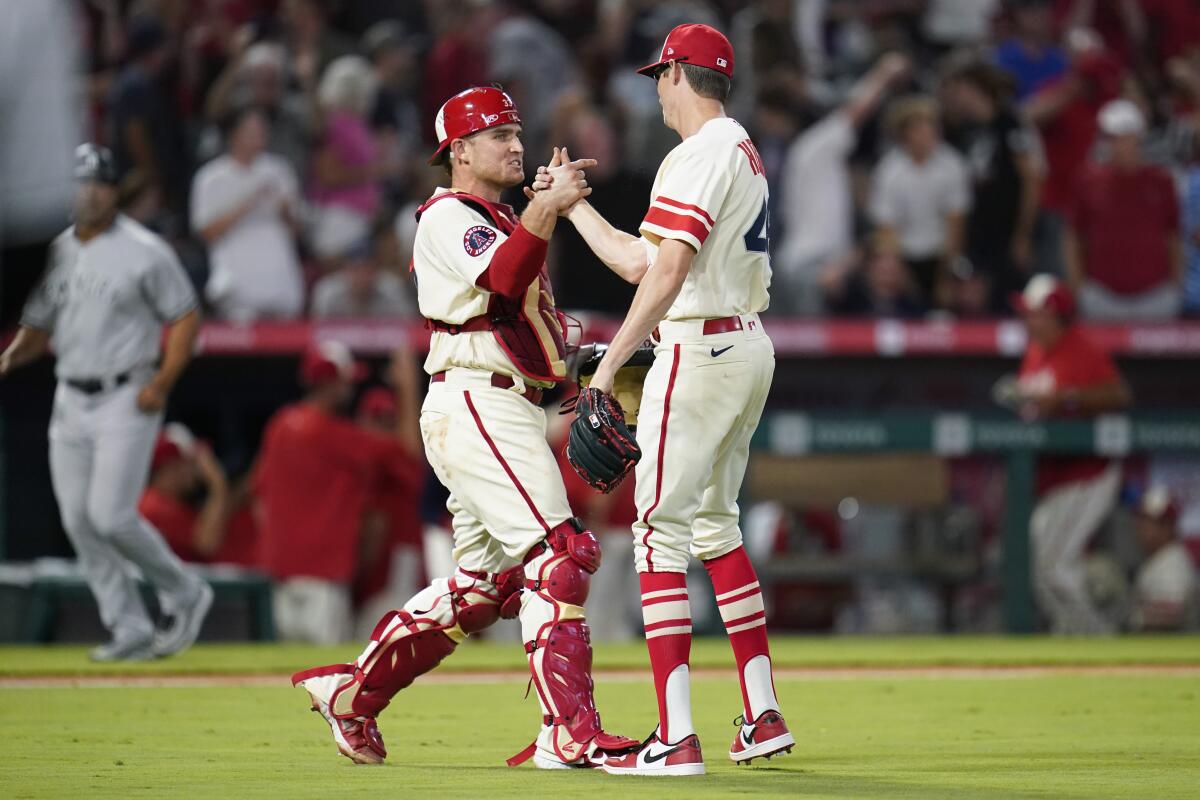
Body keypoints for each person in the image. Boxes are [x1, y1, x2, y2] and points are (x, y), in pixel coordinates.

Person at [290, 86, 638, 770]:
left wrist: (584, 367)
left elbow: (520, 319)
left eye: (516, 132)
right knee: (559, 560)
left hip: (498, 400)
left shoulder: (503, 218)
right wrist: (548, 207)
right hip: (477, 401)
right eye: (497, 135)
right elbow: (504, 280)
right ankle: (567, 732)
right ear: (458, 151)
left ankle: (352, 695)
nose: (515, 144)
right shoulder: (449, 214)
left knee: (480, 590)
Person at [535, 24, 793, 774]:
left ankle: (676, 737)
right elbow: (641, 260)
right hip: (742, 343)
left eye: (660, 73)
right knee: (714, 524)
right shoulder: (734, 150)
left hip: (703, 344)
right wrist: (574, 206)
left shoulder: (700, 152)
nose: (654, 86)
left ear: (681, 73)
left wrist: (610, 365)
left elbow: (670, 271)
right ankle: (762, 711)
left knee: (656, 533)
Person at [0, 144, 211, 661]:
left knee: (110, 516)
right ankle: (129, 626)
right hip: (70, 394)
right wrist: (7, 360)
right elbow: (36, 326)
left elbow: (185, 317)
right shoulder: (57, 250)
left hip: (126, 393)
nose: (89, 192)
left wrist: (161, 382)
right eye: (82, 182)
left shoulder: (145, 249)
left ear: (115, 191)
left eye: (99, 182)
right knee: (77, 519)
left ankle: (183, 590)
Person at [254, 342, 421, 645]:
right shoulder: (339, 436)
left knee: (280, 675)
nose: (350, 388)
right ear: (330, 383)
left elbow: (258, 499)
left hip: (277, 575)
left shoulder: (279, 426)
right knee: (325, 677)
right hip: (323, 580)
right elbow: (410, 453)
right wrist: (408, 386)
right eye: (346, 381)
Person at [1009, 275, 1133, 634]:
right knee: (1036, 567)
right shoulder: (1035, 352)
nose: (1029, 321)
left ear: (1057, 316)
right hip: (1053, 476)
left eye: (1036, 314)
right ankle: (1072, 637)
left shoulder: (1083, 349)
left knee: (1055, 567)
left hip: (1087, 474)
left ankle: (1099, 639)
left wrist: (1067, 398)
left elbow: (1119, 395)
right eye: (1027, 314)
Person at [774, 52, 910, 315]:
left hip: (813, 267)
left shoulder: (809, 160)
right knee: (809, 349)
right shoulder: (814, 147)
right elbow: (855, 112)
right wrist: (885, 73)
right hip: (810, 268)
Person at [942, 58, 1044, 312]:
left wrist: (1023, 235)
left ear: (973, 87)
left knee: (1010, 301)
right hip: (979, 233)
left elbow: (1031, 181)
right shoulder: (967, 130)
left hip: (1008, 231)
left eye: (958, 89)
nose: (954, 97)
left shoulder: (1010, 123)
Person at [1066, 99, 1183, 320]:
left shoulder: (1162, 181)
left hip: (1155, 296)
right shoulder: (1087, 180)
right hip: (1102, 296)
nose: (1120, 144)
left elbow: (1174, 236)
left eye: (1126, 136)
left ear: (1139, 137)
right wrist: (1078, 287)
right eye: (1113, 138)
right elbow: (1073, 236)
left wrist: (1174, 288)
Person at [191, 105, 306, 321]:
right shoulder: (210, 177)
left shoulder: (280, 169)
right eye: (252, 130)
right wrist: (249, 203)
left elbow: (298, 229)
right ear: (234, 134)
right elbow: (205, 232)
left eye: (262, 129)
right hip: (238, 282)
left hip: (279, 277)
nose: (260, 135)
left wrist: (286, 211)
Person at [870, 95, 972, 310]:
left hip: (941, 254)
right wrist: (903, 276)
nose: (930, 134)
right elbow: (887, 229)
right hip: (904, 256)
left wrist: (945, 278)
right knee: (882, 271)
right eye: (922, 128)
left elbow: (955, 224)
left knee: (965, 288)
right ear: (905, 133)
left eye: (932, 127)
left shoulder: (952, 165)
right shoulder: (889, 171)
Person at [139, 423, 259, 568]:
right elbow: (207, 544)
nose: (196, 470)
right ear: (170, 467)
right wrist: (218, 486)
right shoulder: (153, 504)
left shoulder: (164, 501)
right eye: (190, 462)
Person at [1130, 486, 1198, 631]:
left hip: (1175, 649)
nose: (1140, 528)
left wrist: (1132, 617)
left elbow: (1171, 616)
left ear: (1168, 526)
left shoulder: (1173, 566)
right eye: (1140, 520)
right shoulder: (1161, 559)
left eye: (1148, 522)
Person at [310, 238, 414, 319]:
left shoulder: (392, 289)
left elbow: (408, 329)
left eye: (368, 269)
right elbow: (316, 333)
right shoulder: (328, 292)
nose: (363, 276)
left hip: (385, 345)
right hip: (337, 344)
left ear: (377, 270)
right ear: (346, 270)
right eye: (356, 269)